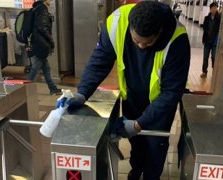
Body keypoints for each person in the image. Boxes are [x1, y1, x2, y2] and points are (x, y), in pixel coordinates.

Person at [60, 2, 190, 179]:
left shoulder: (177, 40)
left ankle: (152, 176)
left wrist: (139, 123)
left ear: (159, 32)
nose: (141, 47)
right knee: (136, 143)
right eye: (136, 41)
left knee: (155, 145)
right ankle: (135, 171)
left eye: (148, 42)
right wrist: (82, 93)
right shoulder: (116, 23)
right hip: (132, 97)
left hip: (160, 105)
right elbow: (99, 62)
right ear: (130, 27)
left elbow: (172, 92)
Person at [28, 0, 61, 95]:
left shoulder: (36, 8)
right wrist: (51, 41)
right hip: (40, 45)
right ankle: (25, 90)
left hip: (37, 43)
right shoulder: (42, 9)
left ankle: (53, 89)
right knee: (35, 69)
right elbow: (42, 27)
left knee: (46, 68)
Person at [200, 2, 221, 78]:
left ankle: (214, 71)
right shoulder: (206, 18)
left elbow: (219, 29)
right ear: (210, 8)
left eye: (216, 8)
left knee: (214, 57)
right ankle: (204, 72)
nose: (214, 9)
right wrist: (204, 39)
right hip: (207, 41)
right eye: (213, 8)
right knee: (205, 57)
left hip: (214, 42)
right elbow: (204, 29)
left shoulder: (219, 18)